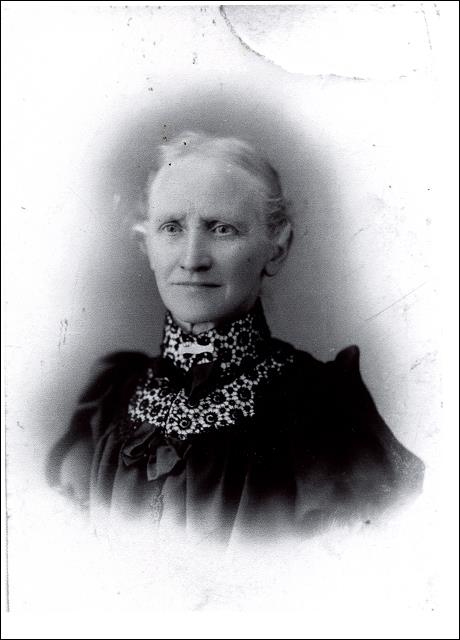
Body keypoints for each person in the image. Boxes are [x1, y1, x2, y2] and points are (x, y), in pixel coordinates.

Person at [46, 131, 424, 543]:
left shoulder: (322, 408)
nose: (192, 259)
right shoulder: (110, 396)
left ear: (276, 247)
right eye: (171, 228)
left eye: (222, 229)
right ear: (147, 244)